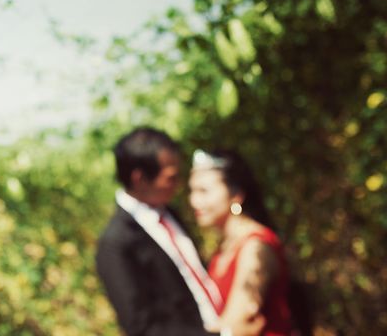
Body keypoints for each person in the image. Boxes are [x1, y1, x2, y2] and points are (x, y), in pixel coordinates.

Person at [96, 127, 263, 336]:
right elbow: (142, 328)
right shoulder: (116, 243)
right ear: (139, 179)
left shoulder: (170, 214)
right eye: (171, 178)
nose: (178, 185)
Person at [188, 148, 294, 336]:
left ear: (236, 194)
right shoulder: (223, 249)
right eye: (192, 191)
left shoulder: (255, 247)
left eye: (204, 191)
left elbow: (237, 322)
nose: (194, 201)